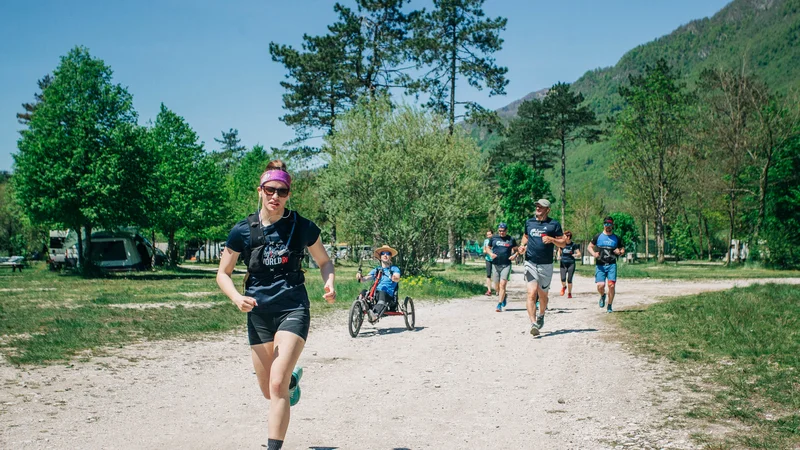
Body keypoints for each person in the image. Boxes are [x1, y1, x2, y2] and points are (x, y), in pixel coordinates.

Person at [216, 160, 336, 450]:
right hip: (258, 313)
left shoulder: (301, 227)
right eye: (270, 190)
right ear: (260, 190)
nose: (275, 197)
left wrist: (329, 281)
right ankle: (292, 381)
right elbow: (223, 273)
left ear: (288, 194)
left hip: (292, 308)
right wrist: (236, 298)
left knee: (276, 384)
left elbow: (324, 261)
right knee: (268, 390)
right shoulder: (242, 230)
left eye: (282, 192)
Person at [518, 199, 566, 336]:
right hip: (530, 263)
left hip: (546, 265)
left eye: (541, 206)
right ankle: (533, 323)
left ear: (548, 209)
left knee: (543, 295)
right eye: (537, 206)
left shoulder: (554, 224)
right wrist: (522, 246)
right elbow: (525, 236)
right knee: (531, 292)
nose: (538, 208)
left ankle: (541, 314)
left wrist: (552, 240)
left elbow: (563, 243)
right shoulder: (529, 222)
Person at [588, 216, 625, 313]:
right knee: (601, 286)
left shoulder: (616, 238)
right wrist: (593, 253)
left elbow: (622, 250)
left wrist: (620, 252)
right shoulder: (598, 236)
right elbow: (589, 246)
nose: (607, 226)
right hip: (600, 265)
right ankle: (602, 295)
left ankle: (609, 305)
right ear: (603, 225)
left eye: (609, 224)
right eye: (606, 224)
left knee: (611, 286)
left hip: (612, 264)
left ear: (612, 225)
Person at [356, 245, 402, 321]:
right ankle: (358, 310)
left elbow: (397, 278)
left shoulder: (394, 269)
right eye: (383, 253)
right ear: (380, 256)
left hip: (388, 295)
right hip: (375, 294)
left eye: (388, 253)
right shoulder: (377, 270)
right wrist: (360, 277)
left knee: (382, 293)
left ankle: (375, 315)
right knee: (363, 292)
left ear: (390, 256)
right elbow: (366, 278)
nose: (385, 255)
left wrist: (394, 278)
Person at [487, 223, 518, 312]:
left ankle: (499, 304)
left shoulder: (511, 239)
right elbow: (488, 248)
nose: (501, 233)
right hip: (495, 264)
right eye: (500, 231)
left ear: (506, 230)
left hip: (506, 265)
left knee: (503, 284)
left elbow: (518, 249)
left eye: (503, 231)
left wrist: (515, 255)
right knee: (496, 286)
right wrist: (491, 254)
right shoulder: (494, 238)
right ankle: (504, 296)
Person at [557, 231, 581, 298]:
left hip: (571, 263)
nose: (563, 237)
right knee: (563, 279)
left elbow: (579, 254)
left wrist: (575, 255)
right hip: (563, 263)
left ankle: (569, 293)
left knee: (569, 279)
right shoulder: (562, 244)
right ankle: (564, 287)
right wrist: (558, 256)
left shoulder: (573, 245)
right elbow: (559, 251)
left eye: (564, 236)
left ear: (568, 237)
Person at [482, 229, 494, 296]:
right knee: (488, 275)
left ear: (492, 234)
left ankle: (498, 290)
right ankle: (489, 290)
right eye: (487, 235)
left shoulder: (495, 240)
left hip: (495, 259)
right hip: (488, 259)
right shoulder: (485, 241)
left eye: (490, 234)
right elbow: (484, 249)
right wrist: (485, 251)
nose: (489, 236)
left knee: (496, 276)